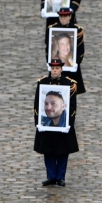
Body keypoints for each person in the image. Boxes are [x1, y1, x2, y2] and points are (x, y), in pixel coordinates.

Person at [33, 58, 79, 187]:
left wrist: (68, 123)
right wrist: (38, 122)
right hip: (47, 124)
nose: (54, 71)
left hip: (63, 124)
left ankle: (60, 177)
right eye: (52, 68)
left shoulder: (69, 84)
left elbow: (73, 106)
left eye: (57, 68)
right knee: (48, 150)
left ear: (61, 69)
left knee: (63, 150)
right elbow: (37, 104)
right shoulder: (43, 82)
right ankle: (51, 176)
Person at [46, 6, 86, 94]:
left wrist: (76, 63)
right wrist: (49, 61)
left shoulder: (77, 30)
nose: (63, 18)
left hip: (72, 67)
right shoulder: (52, 28)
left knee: (71, 92)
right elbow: (48, 48)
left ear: (70, 16)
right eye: (61, 16)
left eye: (65, 16)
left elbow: (81, 50)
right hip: (56, 66)